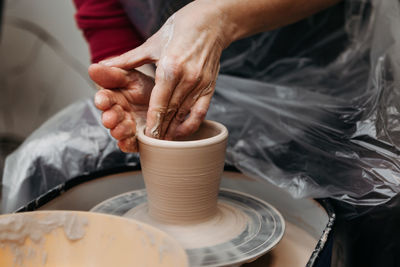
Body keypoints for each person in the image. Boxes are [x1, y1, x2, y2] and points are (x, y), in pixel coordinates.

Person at [74, 0, 341, 152]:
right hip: (178, 93)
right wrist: (141, 87)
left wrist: (218, 17)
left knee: (367, 199)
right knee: (47, 159)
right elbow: (106, 16)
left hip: (321, 82)